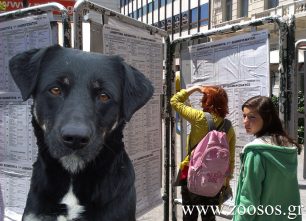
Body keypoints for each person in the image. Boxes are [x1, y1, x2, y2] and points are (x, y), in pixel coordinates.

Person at [171, 85, 236, 221]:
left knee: (189, 214)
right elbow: (230, 161)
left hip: (189, 170)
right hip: (215, 176)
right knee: (209, 216)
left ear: (207, 101)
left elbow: (174, 101)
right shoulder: (229, 127)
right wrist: (225, 183)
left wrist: (194, 88)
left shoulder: (199, 117)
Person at [234, 95, 302, 221]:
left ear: (267, 119)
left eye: (252, 117)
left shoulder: (255, 153)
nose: (245, 121)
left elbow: (248, 200)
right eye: (244, 116)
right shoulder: (288, 147)